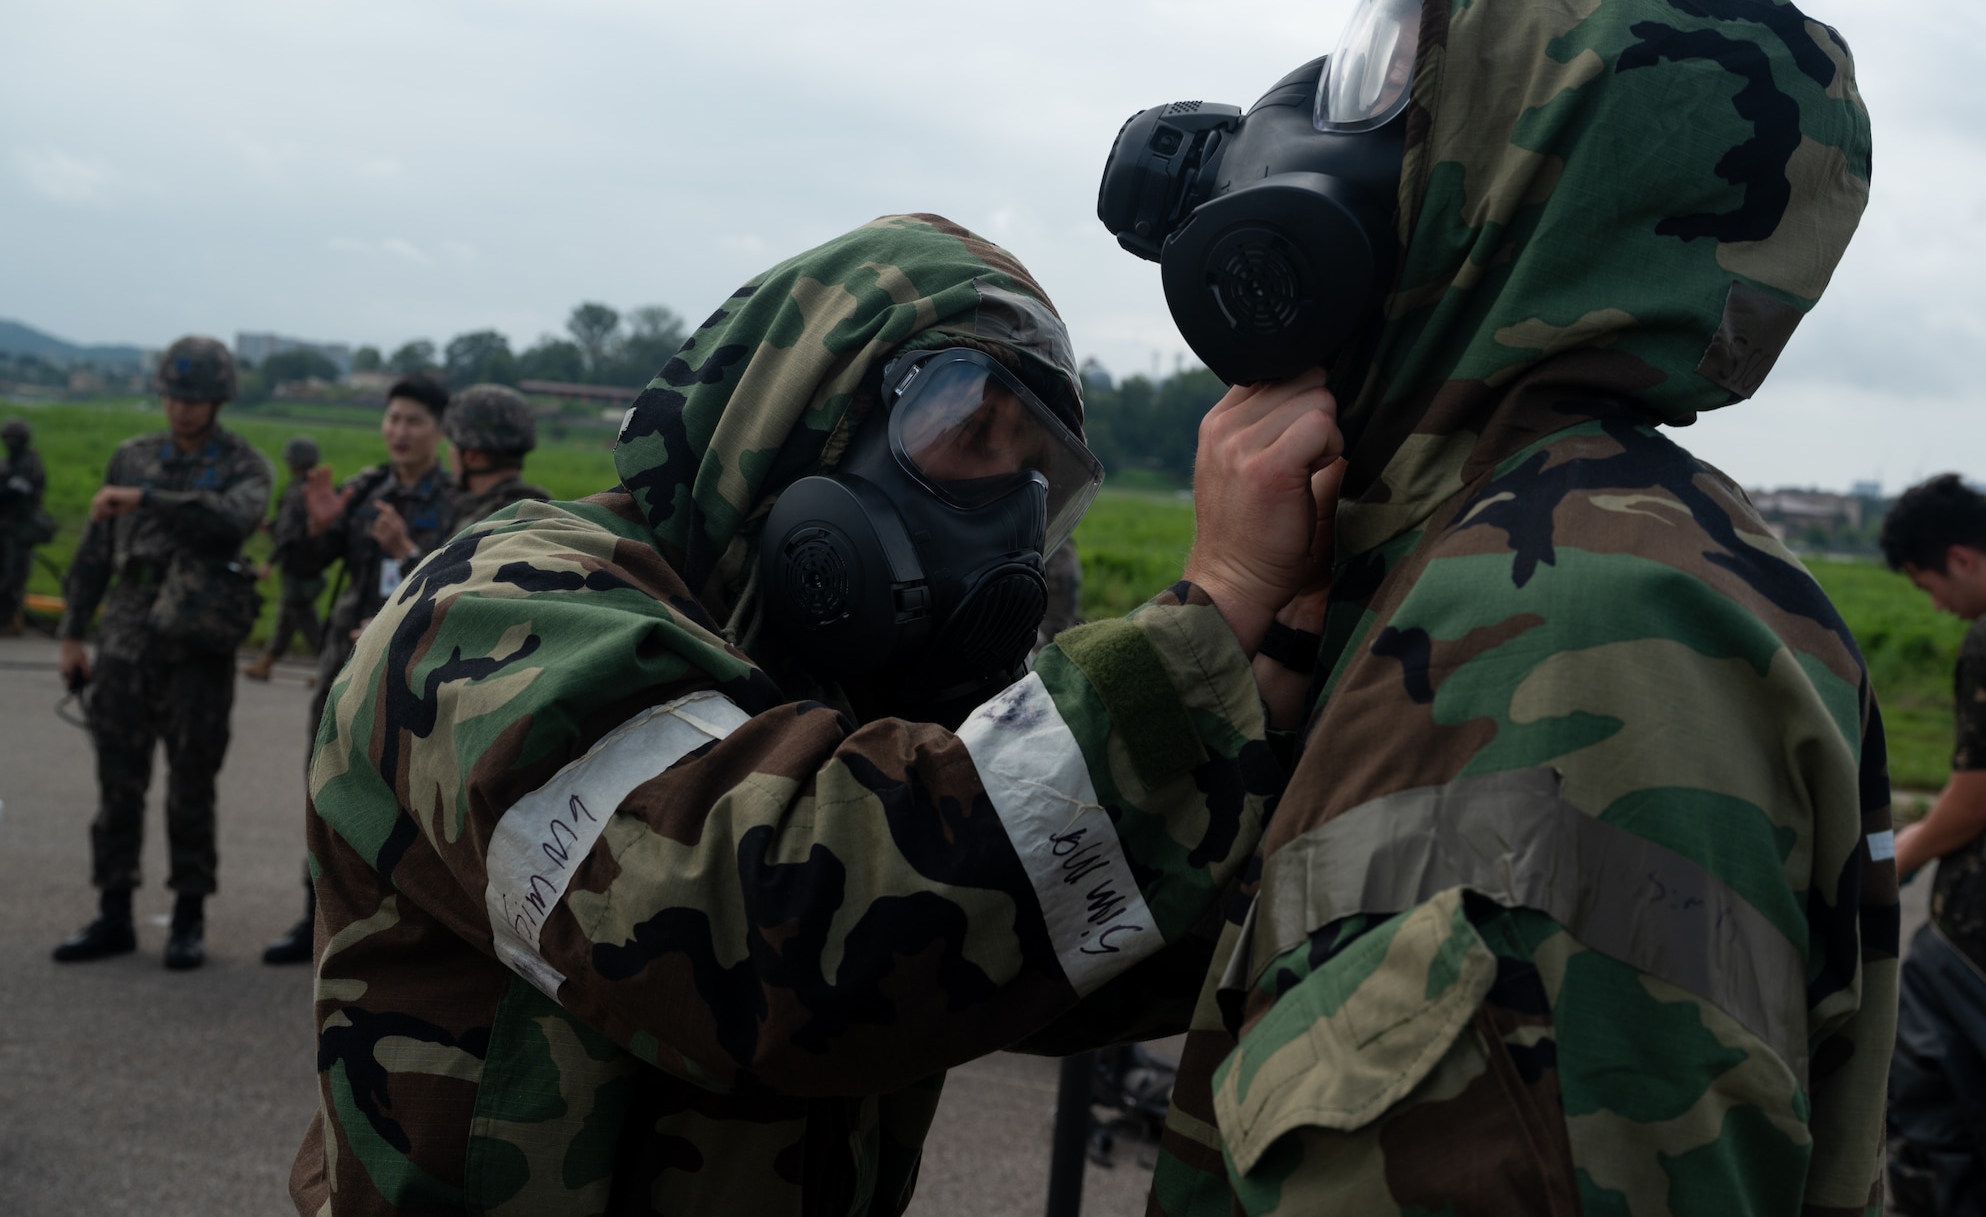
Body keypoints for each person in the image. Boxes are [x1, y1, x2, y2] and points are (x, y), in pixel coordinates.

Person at [289, 214, 1332, 1214]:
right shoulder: (496, 612)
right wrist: (1212, 608)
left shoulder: (837, 692)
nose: (1007, 502)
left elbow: (1035, 945)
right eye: (967, 426)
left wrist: (1270, 688)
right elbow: (758, 930)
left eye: (1035, 472)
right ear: (797, 410)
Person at [1098, 0, 1896, 1215]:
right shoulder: (1465, 562)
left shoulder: (1589, 624)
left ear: (1533, 183)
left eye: (1391, 94)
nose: (1325, 129)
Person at [51, 337, 273, 970]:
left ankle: (188, 917)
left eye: (196, 397)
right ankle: (113, 911)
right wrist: (72, 634)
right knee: (118, 781)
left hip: (196, 646)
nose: (182, 408)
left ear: (219, 399)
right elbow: (96, 552)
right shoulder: (131, 456)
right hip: (124, 636)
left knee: (191, 786)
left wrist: (148, 500)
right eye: (174, 395)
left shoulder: (244, 465)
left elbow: (233, 521)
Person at [260, 376, 456, 965]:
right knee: (325, 789)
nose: (399, 432)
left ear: (439, 430)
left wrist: (408, 544)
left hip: (414, 674)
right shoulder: (364, 488)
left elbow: (465, 583)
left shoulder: (456, 501)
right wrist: (314, 526)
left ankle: (405, 927)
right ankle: (316, 917)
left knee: (409, 801)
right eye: (392, 419)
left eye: (413, 421)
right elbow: (305, 563)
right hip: (345, 668)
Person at [1879, 473, 1986, 1214]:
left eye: (1928, 585)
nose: (1936, 608)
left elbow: (1981, 794)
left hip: (1978, 940)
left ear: (1960, 557)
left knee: (1938, 1130)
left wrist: (1905, 853)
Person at [369, 382, 551, 563]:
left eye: (454, 446)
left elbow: (448, 587)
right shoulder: (542, 511)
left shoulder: (484, 526)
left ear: (470, 457)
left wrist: (404, 553)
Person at [243, 435, 327, 680]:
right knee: (288, 616)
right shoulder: (310, 487)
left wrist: (270, 561)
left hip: (296, 562)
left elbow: (290, 534)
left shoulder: (297, 490)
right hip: (307, 561)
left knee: (305, 620)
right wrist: (272, 525)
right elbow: (292, 525)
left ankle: (330, 669)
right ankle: (266, 663)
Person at [0, 416, 47, 633]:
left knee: (13, 576)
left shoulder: (29, 464)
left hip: (19, 529)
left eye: (14, 438)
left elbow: (18, 491)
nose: (10, 442)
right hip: (6, 527)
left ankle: (9, 620)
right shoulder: (8, 463)